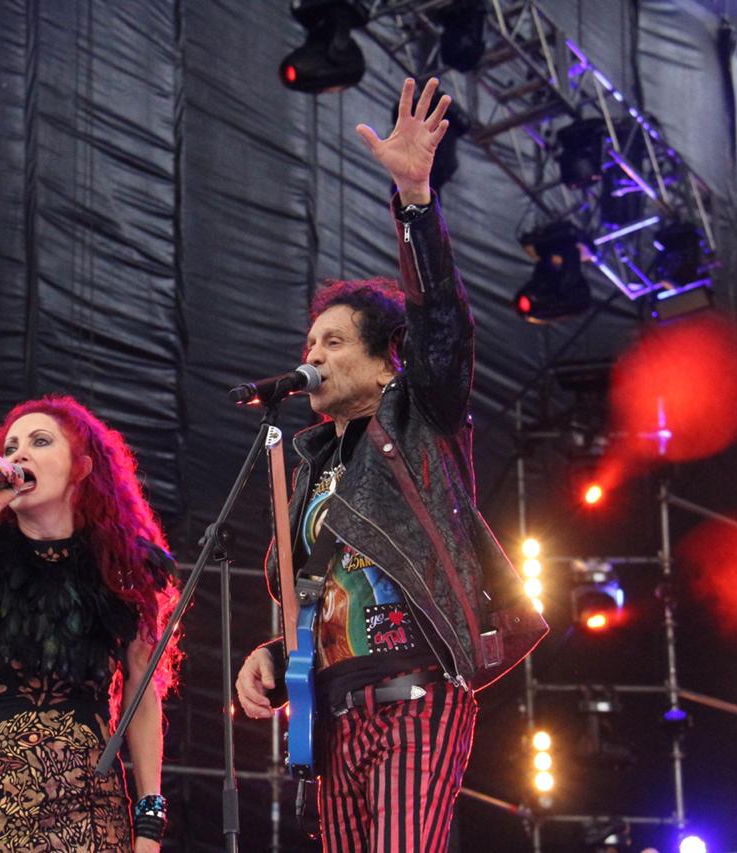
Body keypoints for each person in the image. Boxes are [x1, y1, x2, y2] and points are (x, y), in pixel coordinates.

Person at [234, 78, 547, 852]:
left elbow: (444, 323)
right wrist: (274, 654)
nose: (314, 354)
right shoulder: (306, 467)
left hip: (416, 698)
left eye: (334, 341)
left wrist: (415, 201)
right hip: (332, 720)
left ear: (385, 364)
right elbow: (329, 593)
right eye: (310, 343)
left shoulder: (419, 419)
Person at [0, 395, 179, 852]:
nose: (19, 456)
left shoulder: (122, 568)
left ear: (81, 468)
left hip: (89, 800)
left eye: (40, 442)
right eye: (10, 447)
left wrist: (150, 820)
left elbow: (141, 692)